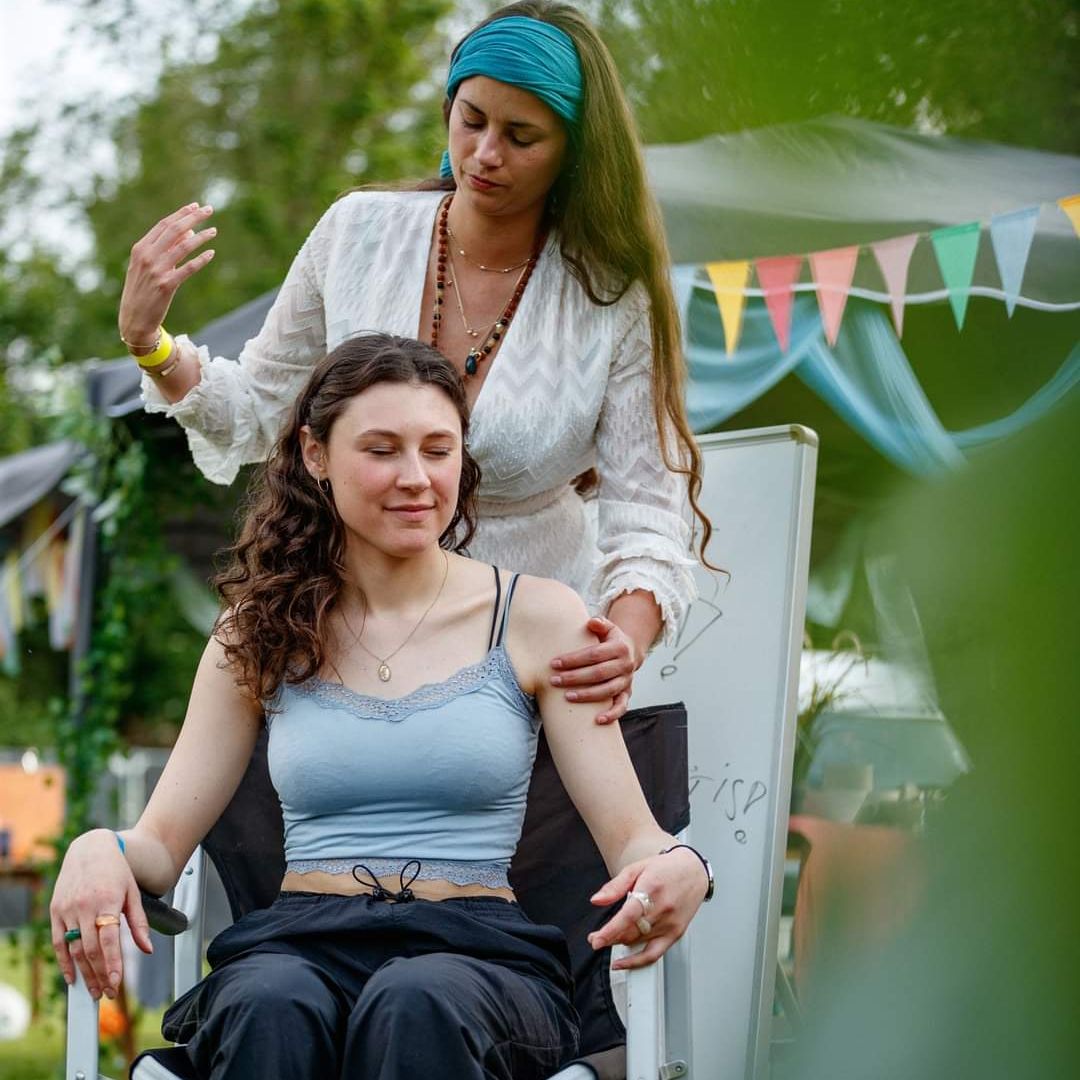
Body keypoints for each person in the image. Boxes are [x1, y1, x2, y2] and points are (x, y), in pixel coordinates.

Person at [50, 335, 713, 1079]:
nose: (416, 478)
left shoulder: (538, 617)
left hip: (479, 954)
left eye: (438, 450)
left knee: (416, 999)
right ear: (316, 454)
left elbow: (633, 838)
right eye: (382, 450)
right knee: (269, 1003)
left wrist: (684, 864)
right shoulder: (258, 633)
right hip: (298, 942)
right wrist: (96, 849)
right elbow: (160, 842)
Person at [116, 0, 712, 723]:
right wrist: (150, 341)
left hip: (529, 664)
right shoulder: (355, 233)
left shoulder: (612, 294)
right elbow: (253, 414)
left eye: (521, 136)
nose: (485, 154)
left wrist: (623, 640)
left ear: (574, 150)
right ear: (447, 110)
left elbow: (648, 514)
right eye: (472, 120)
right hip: (341, 635)